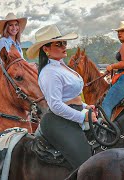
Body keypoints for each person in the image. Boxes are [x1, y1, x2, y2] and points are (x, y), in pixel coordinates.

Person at [26, 24, 97, 170]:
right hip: (58, 121)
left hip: (72, 113)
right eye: (58, 44)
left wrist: (84, 106)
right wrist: (82, 117)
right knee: (87, 165)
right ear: (46, 49)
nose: (64, 46)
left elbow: (69, 96)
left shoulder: (61, 66)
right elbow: (56, 105)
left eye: (64, 43)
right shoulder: (49, 72)